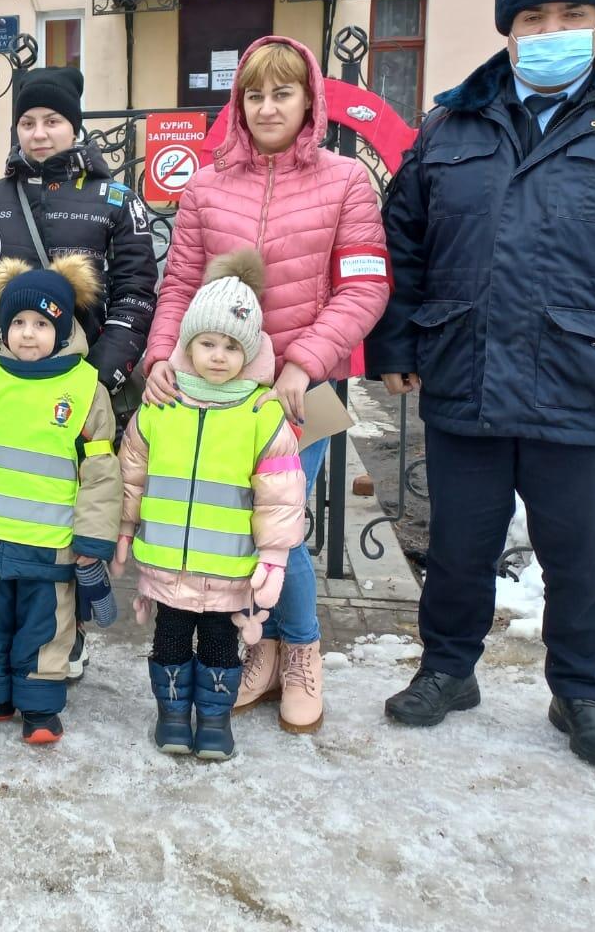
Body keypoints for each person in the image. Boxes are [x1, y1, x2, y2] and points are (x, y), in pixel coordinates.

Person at [367, 0, 595, 770]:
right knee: (459, 547)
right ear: (508, 31)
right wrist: (397, 342)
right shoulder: (452, 125)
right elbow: (404, 240)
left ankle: (581, 691)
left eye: (572, 16)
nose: (552, 31)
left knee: (580, 555)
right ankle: (448, 669)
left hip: (590, 382)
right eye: (533, 18)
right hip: (467, 373)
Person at [141, 36, 390, 735]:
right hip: (213, 392)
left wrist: (304, 361)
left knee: (282, 527)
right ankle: (266, 648)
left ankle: (302, 651)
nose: (268, 107)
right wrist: (161, 356)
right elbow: (179, 284)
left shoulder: (346, 181)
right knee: (233, 526)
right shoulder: (206, 186)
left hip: (301, 392)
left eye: (283, 93)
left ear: (310, 100)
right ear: (238, 103)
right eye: (254, 94)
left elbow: (364, 287)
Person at [0, 64, 157, 679]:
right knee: (14, 504)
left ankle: (69, 632)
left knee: (78, 506)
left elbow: (136, 295)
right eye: (28, 123)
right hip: (8, 389)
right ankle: (3, 633)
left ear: (75, 126)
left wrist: (99, 376)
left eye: (53, 121)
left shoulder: (116, 201)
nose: (39, 134)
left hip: (84, 389)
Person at [115, 250, 306, 760]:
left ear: (250, 351)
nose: (218, 356)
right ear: (187, 344)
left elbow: (281, 496)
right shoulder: (161, 407)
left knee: (222, 644)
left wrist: (274, 558)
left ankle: (216, 720)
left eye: (231, 346)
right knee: (170, 639)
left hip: (228, 568)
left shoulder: (261, 415)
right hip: (167, 563)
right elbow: (132, 471)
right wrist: (125, 528)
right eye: (207, 343)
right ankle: (173, 714)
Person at [0, 255, 121, 745]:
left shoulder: (85, 390)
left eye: (41, 323)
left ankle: (39, 705)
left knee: (46, 627)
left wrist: (93, 537)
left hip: (51, 546)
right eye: (18, 323)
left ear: (62, 328)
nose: (28, 334)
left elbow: (100, 472)